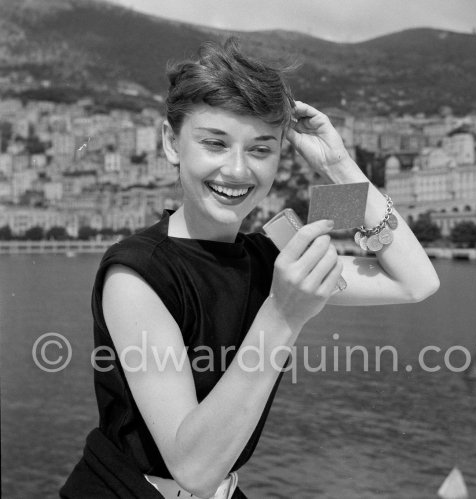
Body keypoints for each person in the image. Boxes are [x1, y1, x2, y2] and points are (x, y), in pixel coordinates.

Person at [60, 38, 439, 499]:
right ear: (170, 143)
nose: (237, 170)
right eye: (215, 143)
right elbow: (193, 468)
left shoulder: (267, 255)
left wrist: (338, 165)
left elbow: (416, 280)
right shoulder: (136, 273)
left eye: (261, 149)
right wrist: (282, 314)